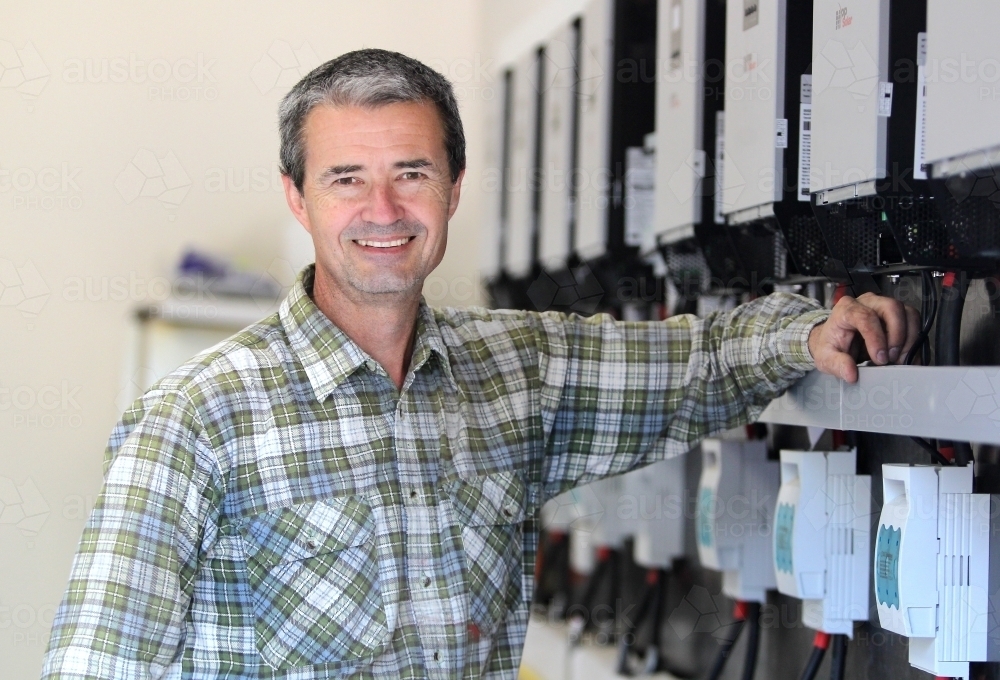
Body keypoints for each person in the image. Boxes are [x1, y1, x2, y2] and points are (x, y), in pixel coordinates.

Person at [41, 49, 919, 680]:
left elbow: (694, 363)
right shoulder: (195, 419)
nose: (383, 209)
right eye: (346, 178)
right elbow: (96, 664)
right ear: (297, 198)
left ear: (453, 189)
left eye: (411, 173)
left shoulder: (514, 371)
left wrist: (810, 330)